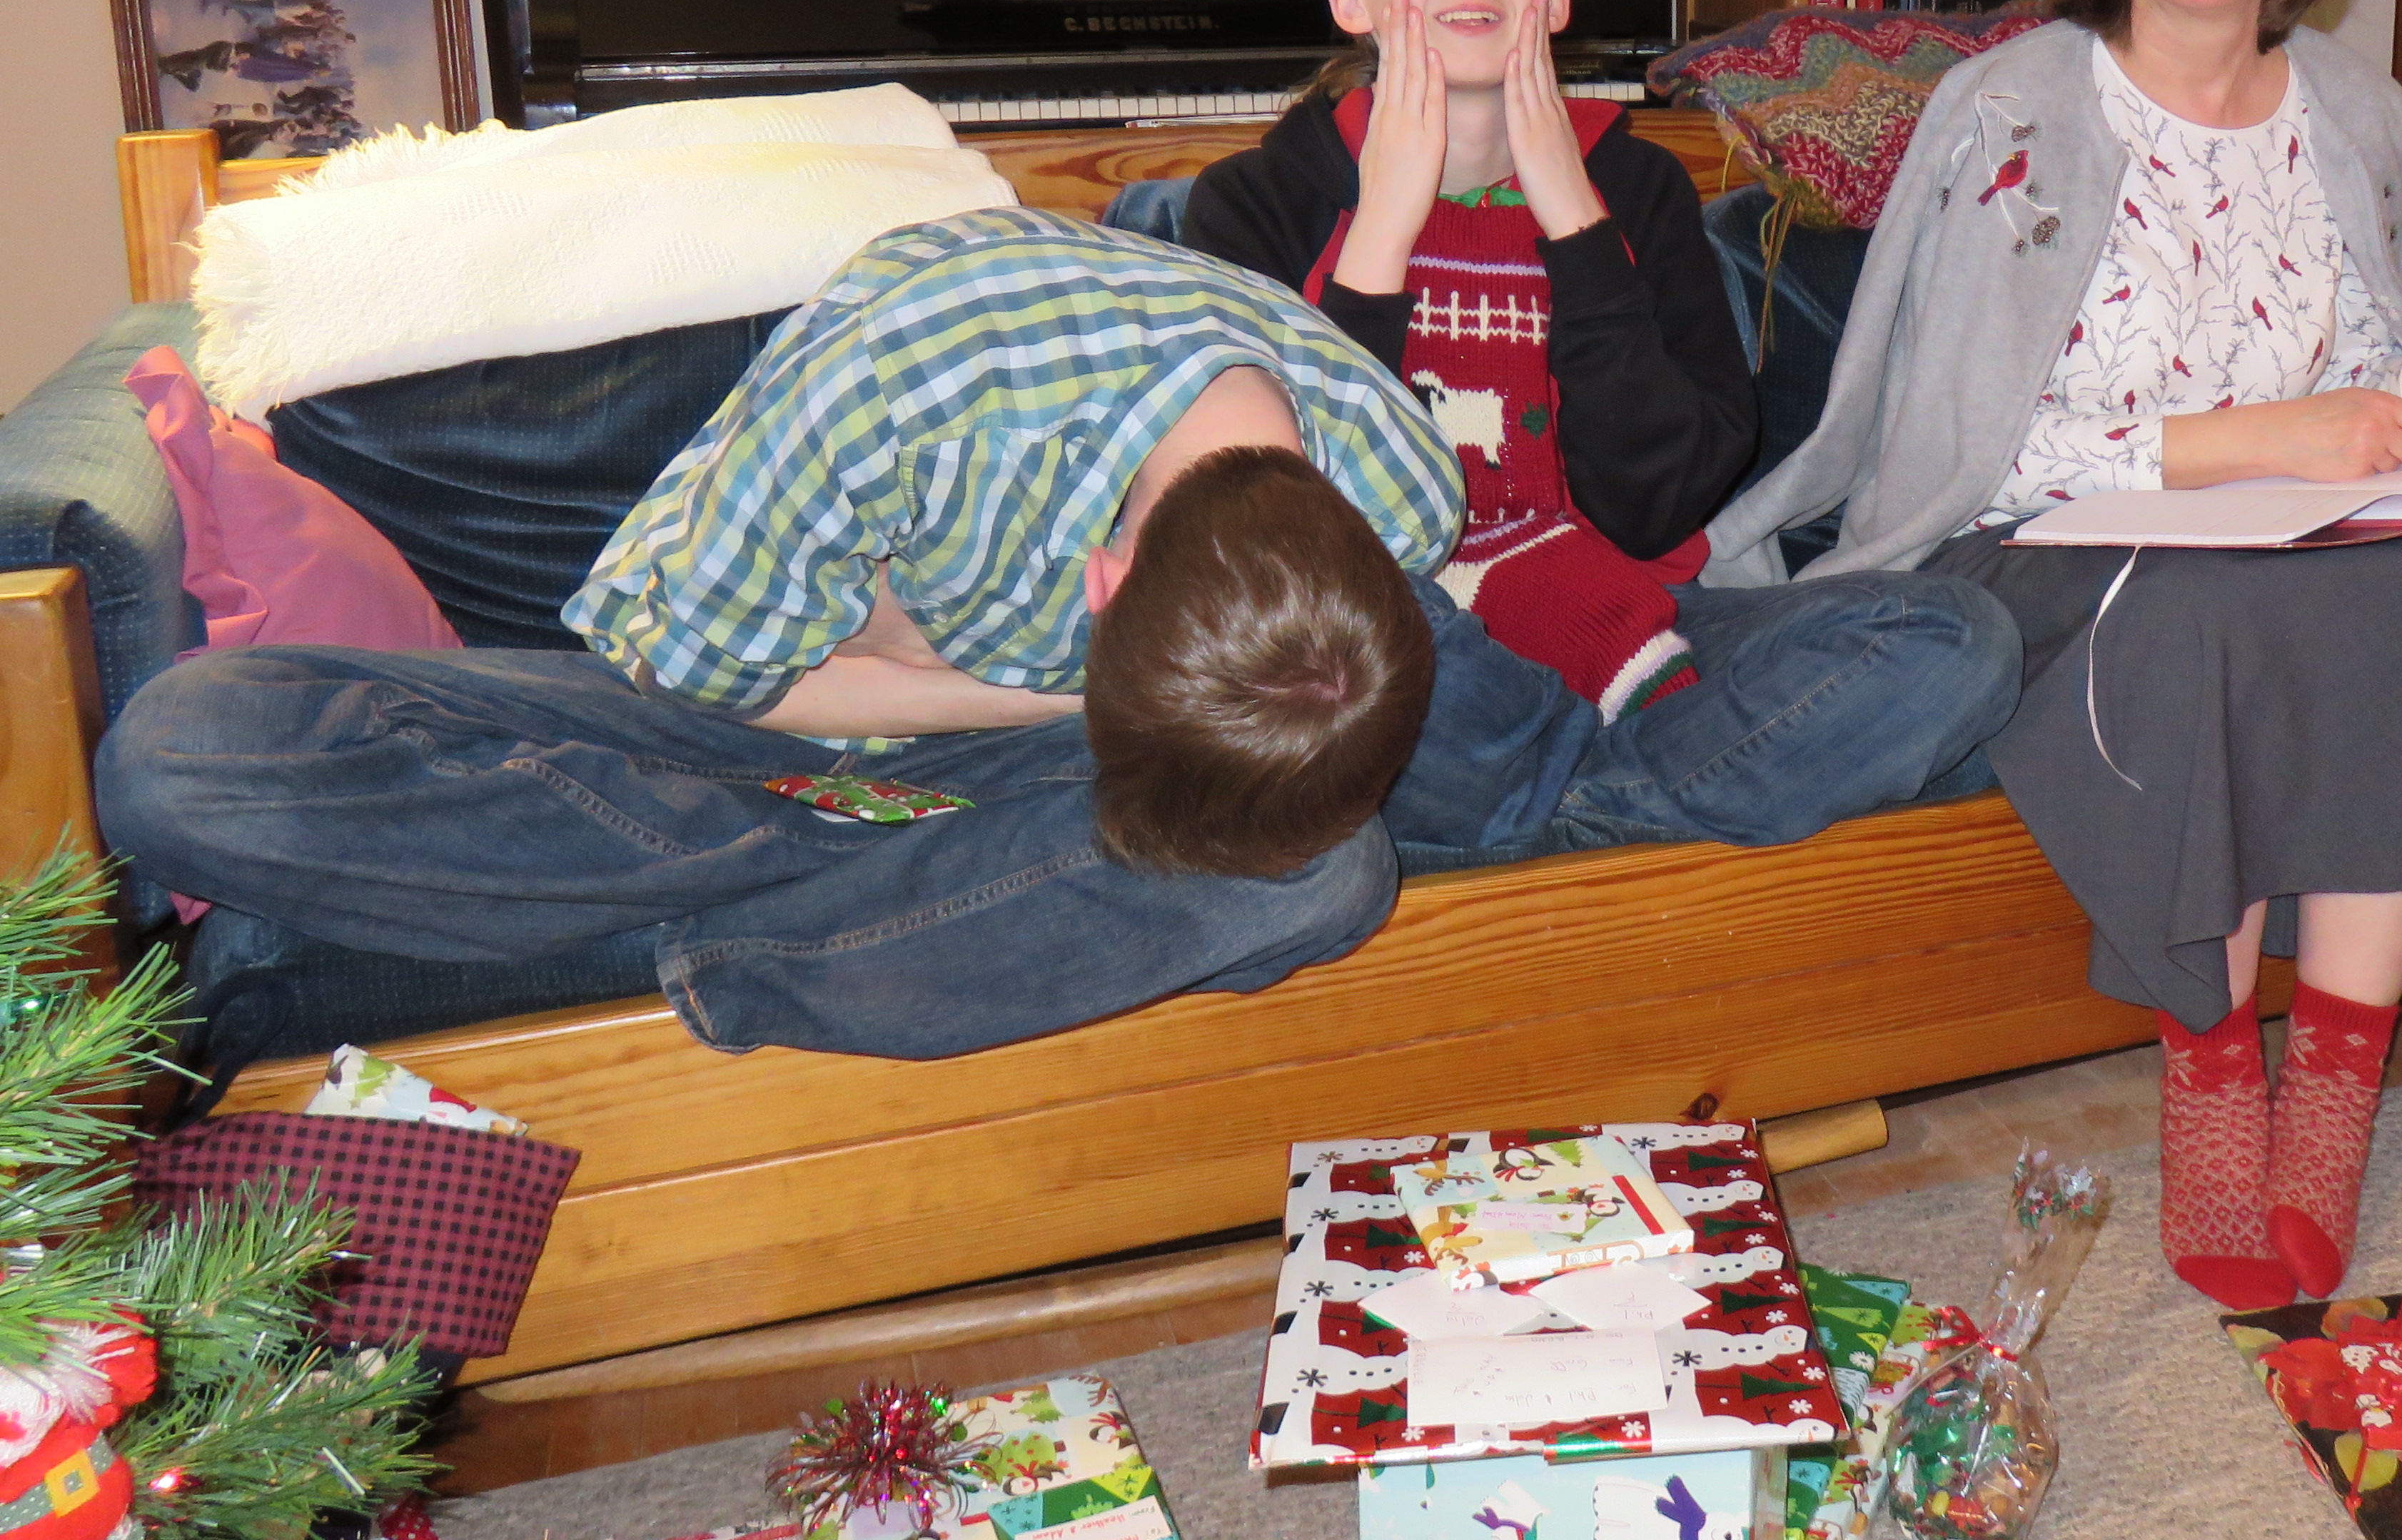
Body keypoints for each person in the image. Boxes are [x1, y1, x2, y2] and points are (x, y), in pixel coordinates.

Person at [1704, 0, 2402, 1307]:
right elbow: (1969, 449)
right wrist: (2261, 439)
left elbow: (2370, 349)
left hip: (2293, 526)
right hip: (2045, 543)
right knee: (2202, 619)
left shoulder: (2358, 110)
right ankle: (2212, 1068)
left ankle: (2332, 1087)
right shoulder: (2010, 114)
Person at [97, 209, 1458, 1060]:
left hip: (991, 770)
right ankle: (841, 921)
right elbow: (709, 673)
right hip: (714, 721)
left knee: (1326, 871)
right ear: (1102, 583)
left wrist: (917, 653)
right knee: (184, 753)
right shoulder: (918, 369)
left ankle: (738, 937)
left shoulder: (1404, 493)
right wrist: (1048, 701)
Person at [1184, 0, 1752, 719]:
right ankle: (1595, 754)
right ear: (1350, 0)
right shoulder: (1255, 202)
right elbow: (1277, 527)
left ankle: (1573, 754)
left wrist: (1576, 224)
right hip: (1374, 630)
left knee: (1943, 635)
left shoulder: (1640, 189)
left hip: (1632, 611)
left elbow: (1654, 509)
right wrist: (1382, 229)